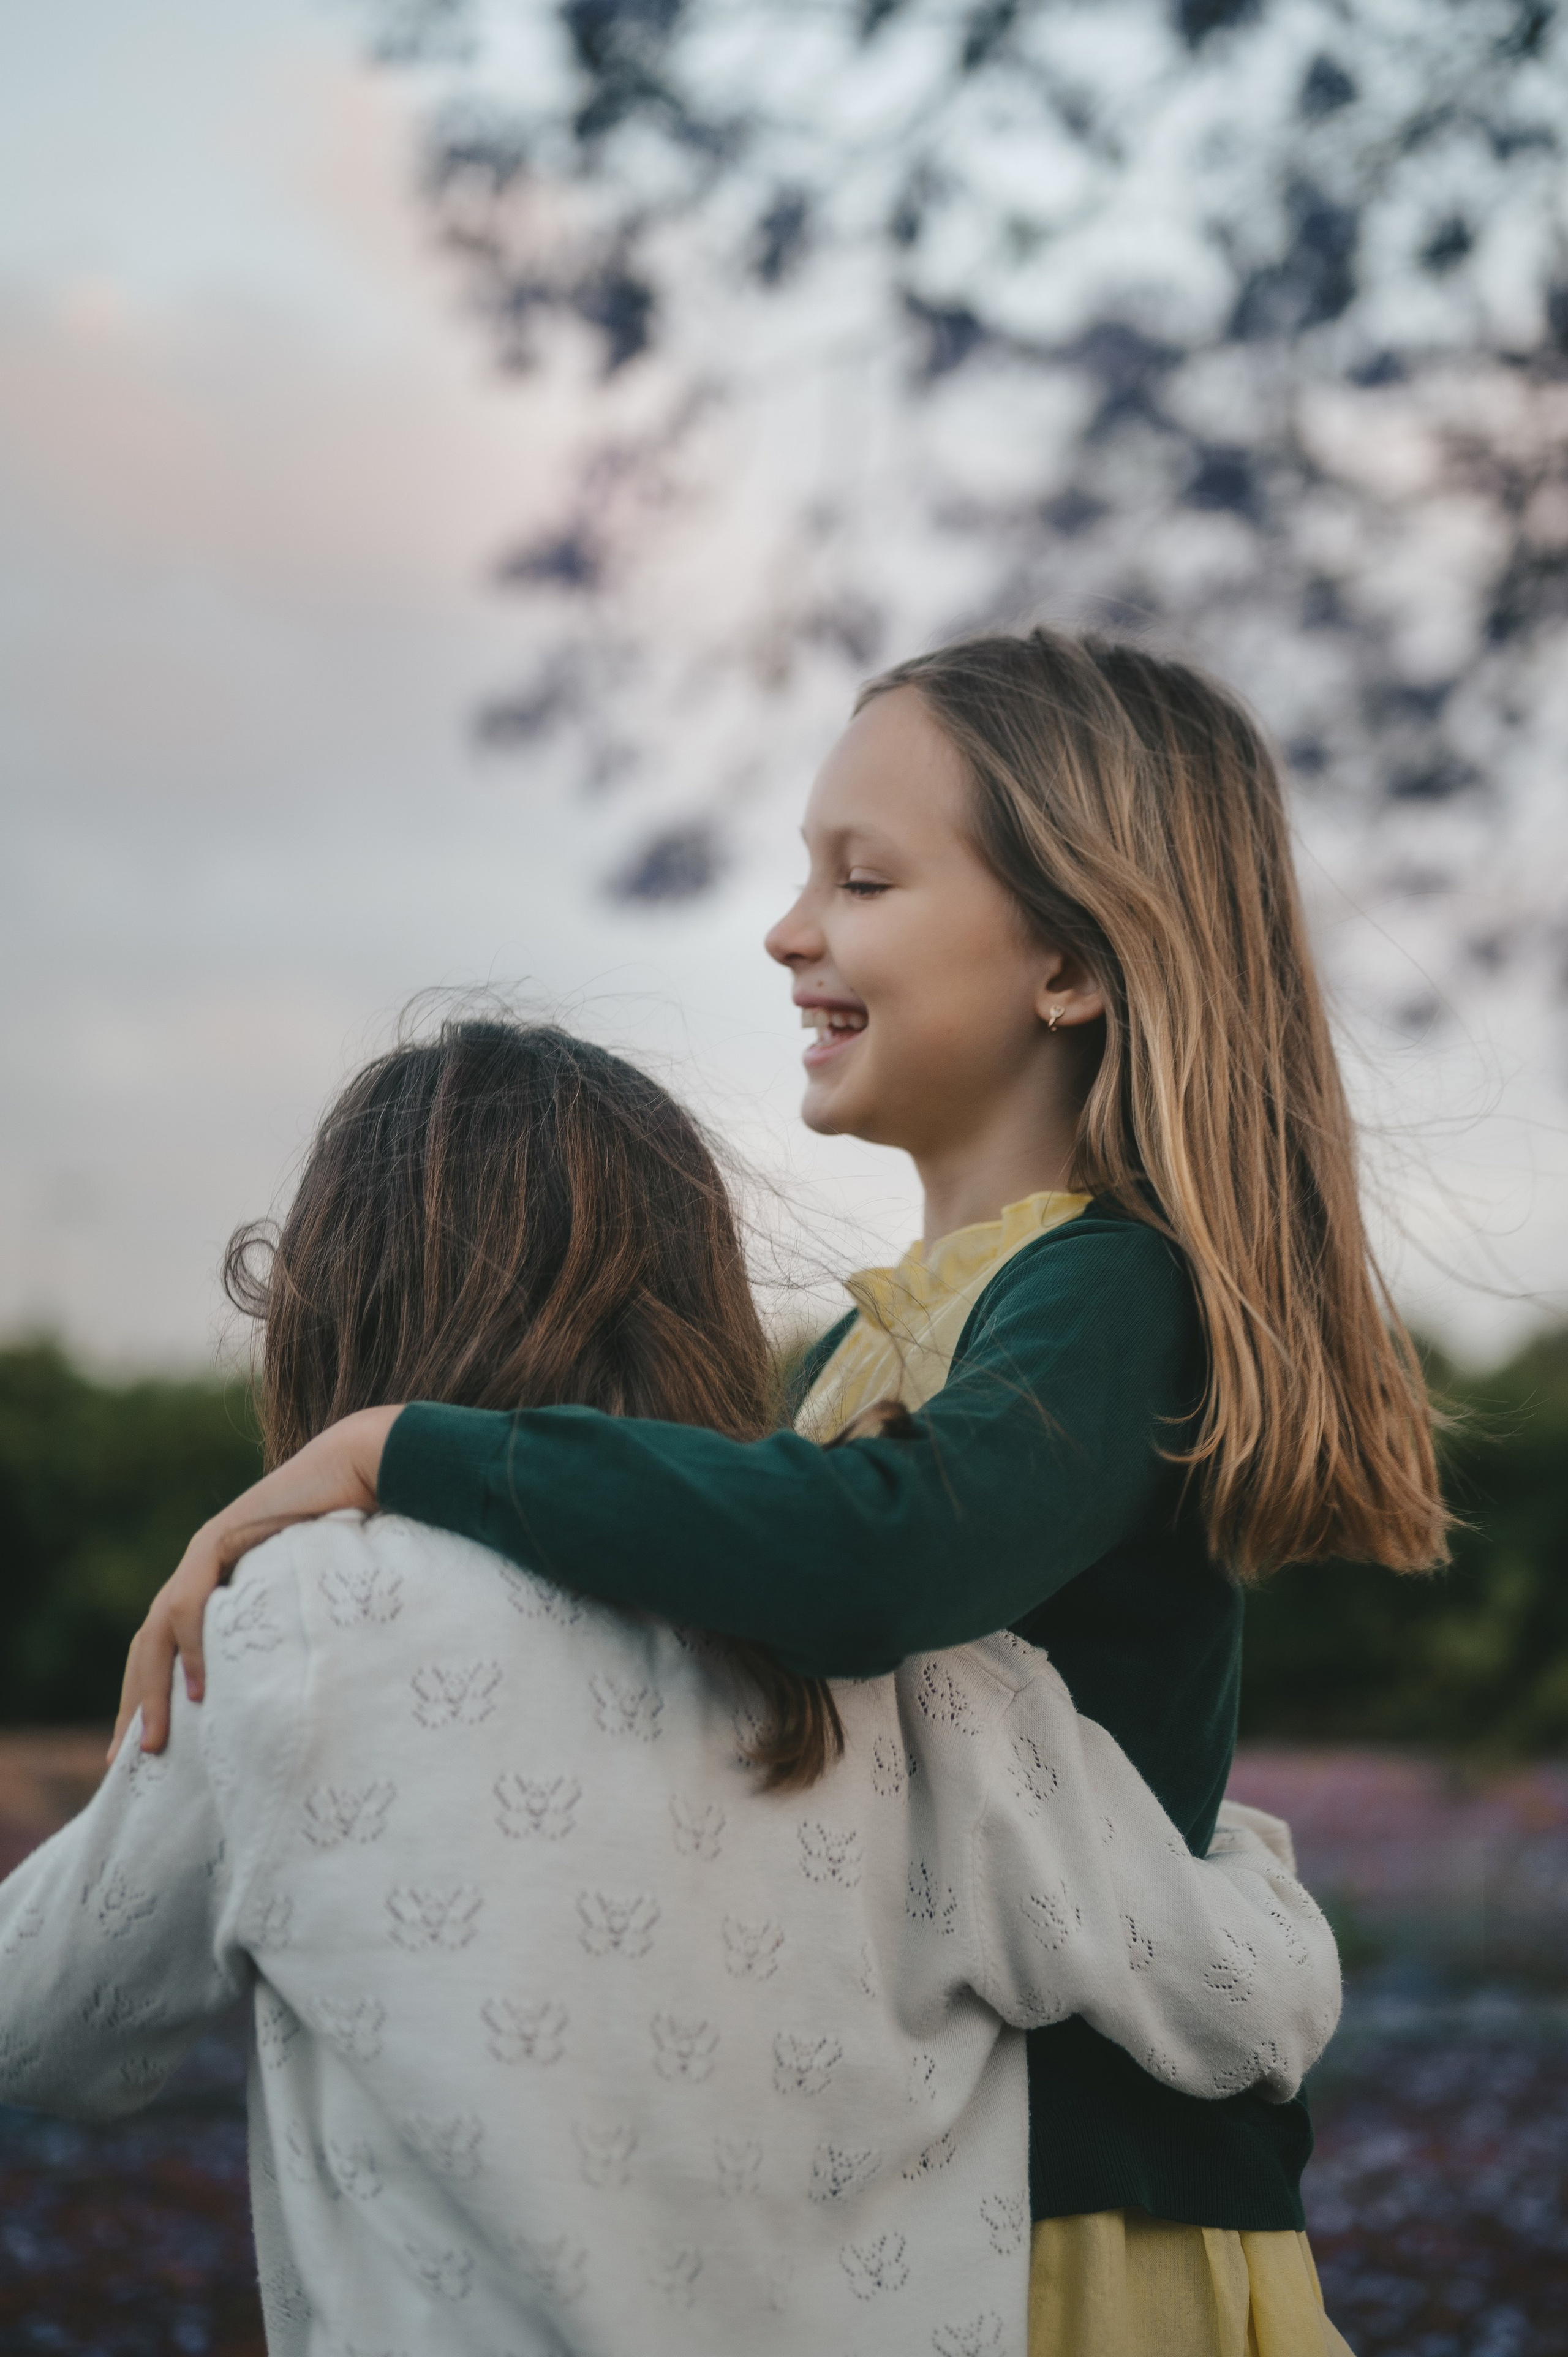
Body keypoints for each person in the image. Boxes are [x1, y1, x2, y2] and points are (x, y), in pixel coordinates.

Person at [115, 630, 1444, 2355]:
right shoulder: (871, 1357)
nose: (788, 930)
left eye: (863, 878)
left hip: (1099, 2219)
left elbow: (877, 1566)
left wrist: (404, 1445)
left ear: (1068, 960)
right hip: (931, 2217)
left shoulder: (1114, 1292)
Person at [1, 1018, 1340, 2357]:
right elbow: (1248, 1999)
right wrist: (1232, 1849)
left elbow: (44, 2024)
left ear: (326, 1303)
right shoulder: (928, 1695)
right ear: (701, 1302)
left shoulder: (290, 1630)